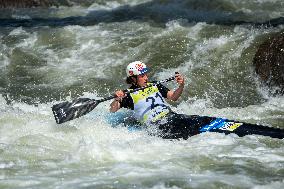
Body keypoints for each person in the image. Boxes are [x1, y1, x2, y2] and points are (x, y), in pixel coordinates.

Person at [110, 61, 203, 139]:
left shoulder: (155, 84)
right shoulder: (128, 94)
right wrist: (117, 99)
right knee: (187, 127)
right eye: (142, 76)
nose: (146, 78)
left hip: (171, 117)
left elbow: (174, 97)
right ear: (133, 79)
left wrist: (181, 85)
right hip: (156, 126)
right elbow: (112, 109)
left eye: (145, 74)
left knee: (197, 120)